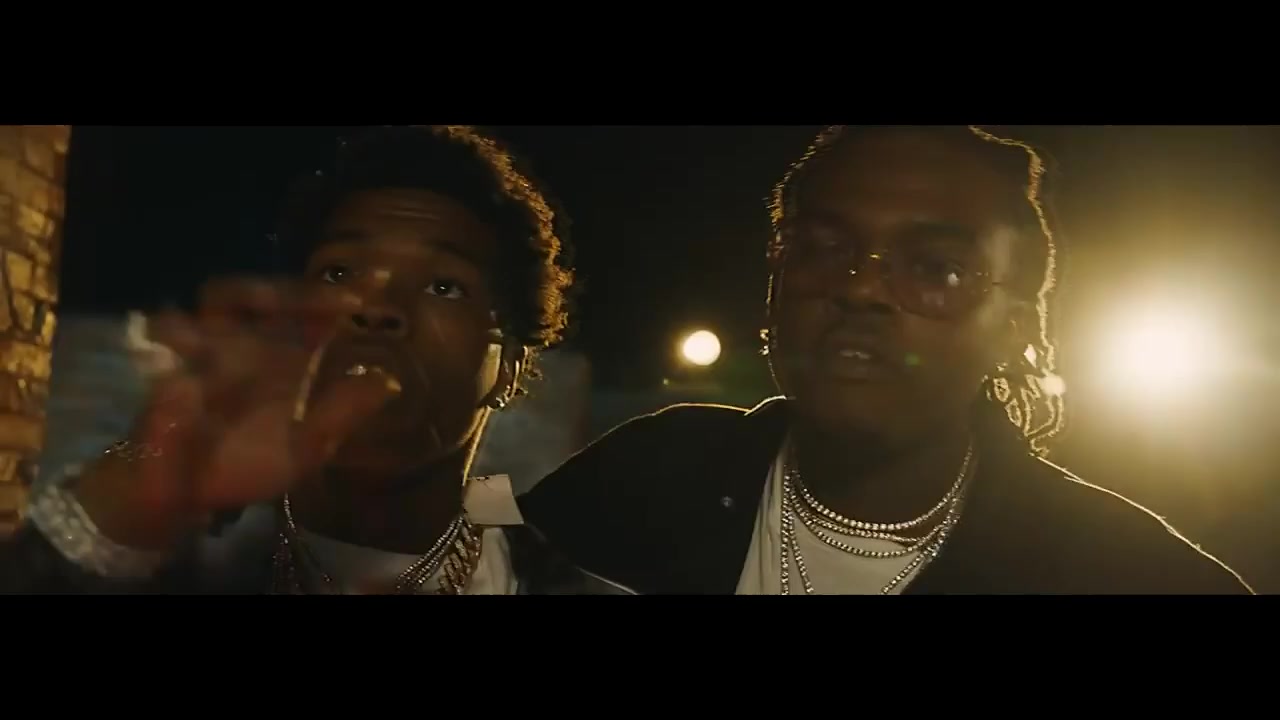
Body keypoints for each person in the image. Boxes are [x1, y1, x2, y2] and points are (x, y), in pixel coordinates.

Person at [516, 125, 1256, 595]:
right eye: (824, 247)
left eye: (936, 267)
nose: (861, 288)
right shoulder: (651, 476)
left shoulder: (1128, 573)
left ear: (1012, 330)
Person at [0, 124, 630, 595]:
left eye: (444, 285)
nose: (376, 308)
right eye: (339, 272)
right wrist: (124, 501)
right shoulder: (161, 557)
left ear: (510, 367)